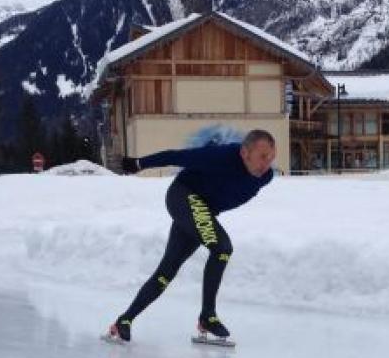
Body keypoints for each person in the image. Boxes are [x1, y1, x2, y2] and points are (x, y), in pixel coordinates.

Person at [107, 129, 276, 342]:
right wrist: (138, 164)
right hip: (183, 196)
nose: (266, 164)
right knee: (222, 248)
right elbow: (177, 156)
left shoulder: (265, 177)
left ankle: (124, 320)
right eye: (262, 157)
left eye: (271, 158)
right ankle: (208, 316)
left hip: (201, 211)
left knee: (167, 271)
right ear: (244, 153)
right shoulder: (221, 156)